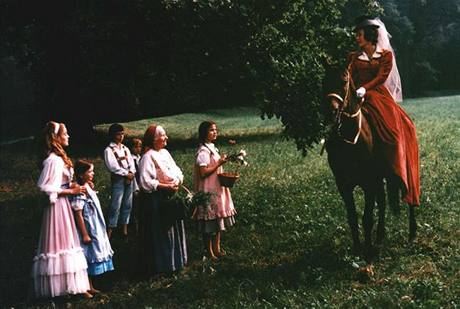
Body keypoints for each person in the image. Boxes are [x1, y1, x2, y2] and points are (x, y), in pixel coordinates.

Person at [344, 16, 420, 206]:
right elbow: (348, 77)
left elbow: (381, 78)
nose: (357, 38)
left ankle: (393, 169)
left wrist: (365, 88)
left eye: (359, 35)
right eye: (356, 35)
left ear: (369, 36)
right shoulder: (353, 57)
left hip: (378, 96)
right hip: (358, 96)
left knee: (394, 132)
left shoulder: (385, 55)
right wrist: (354, 91)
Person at [32, 121, 91, 299]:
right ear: (56, 137)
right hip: (57, 207)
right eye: (65, 133)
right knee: (60, 243)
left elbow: (62, 182)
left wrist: (73, 185)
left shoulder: (59, 158)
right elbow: (48, 188)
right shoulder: (53, 160)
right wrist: (71, 191)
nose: (68, 136)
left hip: (63, 205)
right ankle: (59, 288)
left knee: (68, 242)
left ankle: (71, 286)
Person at [138, 124, 187, 275]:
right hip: (157, 200)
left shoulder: (165, 153)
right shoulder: (147, 157)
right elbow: (144, 182)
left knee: (173, 228)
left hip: (170, 195)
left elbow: (177, 170)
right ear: (153, 140)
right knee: (161, 231)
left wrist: (177, 181)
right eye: (162, 135)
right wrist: (164, 186)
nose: (166, 138)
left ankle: (176, 261)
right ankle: (162, 265)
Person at [192, 121, 236, 260]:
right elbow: (203, 172)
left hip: (217, 187)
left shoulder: (213, 148)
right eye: (211, 130)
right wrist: (219, 163)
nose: (215, 132)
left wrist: (222, 161)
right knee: (208, 223)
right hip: (208, 189)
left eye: (216, 130)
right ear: (204, 133)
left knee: (217, 221)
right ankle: (209, 251)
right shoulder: (203, 151)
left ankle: (217, 248)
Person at [71, 159, 114, 294]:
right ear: (80, 175)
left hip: (96, 225)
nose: (93, 173)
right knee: (87, 256)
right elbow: (78, 213)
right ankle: (84, 286)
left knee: (92, 254)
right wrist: (84, 233)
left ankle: (90, 285)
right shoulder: (81, 191)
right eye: (90, 171)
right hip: (88, 228)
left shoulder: (87, 186)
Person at [104, 123, 136, 239]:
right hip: (118, 179)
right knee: (115, 204)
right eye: (118, 134)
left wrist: (131, 173)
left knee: (128, 203)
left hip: (129, 178)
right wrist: (126, 174)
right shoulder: (109, 150)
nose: (121, 137)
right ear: (112, 135)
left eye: (122, 134)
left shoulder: (125, 149)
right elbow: (112, 166)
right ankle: (110, 229)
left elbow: (131, 163)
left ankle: (124, 228)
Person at [129, 138, 142, 236]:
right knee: (135, 206)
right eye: (135, 147)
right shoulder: (132, 160)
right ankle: (135, 226)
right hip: (135, 185)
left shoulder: (140, 158)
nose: (138, 149)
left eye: (140, 146)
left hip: (142, 184)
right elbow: (135, 175)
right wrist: (136, 187)